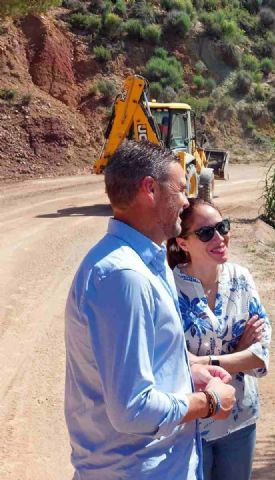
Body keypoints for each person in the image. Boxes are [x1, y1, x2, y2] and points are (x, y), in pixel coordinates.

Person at [65, 140, 236, 480]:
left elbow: (145, 354)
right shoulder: (124, 278)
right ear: (150, 189)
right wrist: (209, 403)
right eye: (180, 189)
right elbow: (132, 409)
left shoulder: (141, 263)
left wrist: (188, 371)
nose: (187, 200)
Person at [167, 198, 271, 480]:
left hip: (240, 420)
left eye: (222, 227)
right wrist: (238, 351)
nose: (219, 237)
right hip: (191, 425)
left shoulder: (242, 279)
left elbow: (260, 355)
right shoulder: (168, 288)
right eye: (205, 233)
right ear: (183, 242)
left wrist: (202, 361)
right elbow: (170, 362)